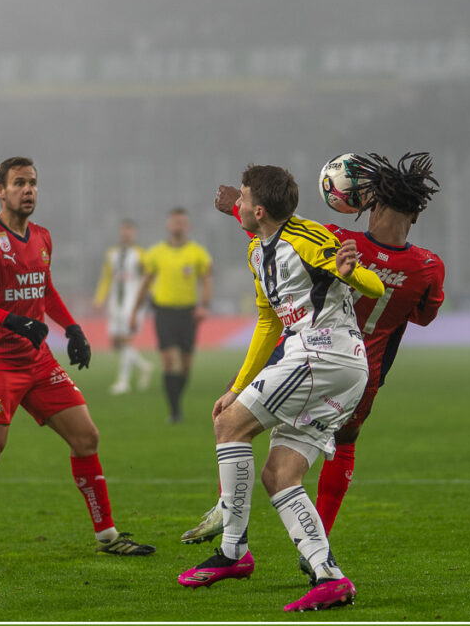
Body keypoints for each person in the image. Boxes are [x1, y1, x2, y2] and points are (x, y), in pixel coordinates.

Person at [183, 152, 444, 584]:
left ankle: (231, 533)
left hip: (313, 353)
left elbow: (283, 234)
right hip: (366, 372)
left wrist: (235, 207)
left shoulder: (339, 239)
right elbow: (424, 316)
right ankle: (320, 556)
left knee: (232, 423)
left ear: (371, 204)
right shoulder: (429, 267)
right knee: (308, 460)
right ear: (415, 215)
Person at [176, 164, 385, 612]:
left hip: (320, 356)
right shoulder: (258, 250)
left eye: (243, 198)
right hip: (339, 368)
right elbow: (269, 322)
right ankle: (329, 577)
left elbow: (375, 285)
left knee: (229, 426)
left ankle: (233, 550)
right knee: (279, 475)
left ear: (259, 210)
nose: (237, 204)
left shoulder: (307, 239)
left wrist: (351, 273)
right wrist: (238, 385)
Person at [0, 156, 155, 564]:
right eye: (19, 183)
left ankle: (107, 535)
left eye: (33, 183)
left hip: (38, 362)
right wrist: (10, 320)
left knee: (86, 437)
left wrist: (73, 329)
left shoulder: (42, 237)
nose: (28, 190)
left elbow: (45, 289)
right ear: (0, 191)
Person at [130, 207, 212, 424]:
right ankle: (175, 412)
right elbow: (145, 284)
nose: (178, 225)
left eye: (182, 222)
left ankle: (177, 401)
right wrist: (134, 312)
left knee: (185, 365)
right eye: (175, 222)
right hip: (164, 312)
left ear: (188, 225)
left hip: (188, 313)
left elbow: (206, 280)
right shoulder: (155, 253)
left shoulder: (198, 253)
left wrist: (204, 305)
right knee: (168, 360)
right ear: (168, 225)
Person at [93, 219, 154, 395]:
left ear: (134, 233)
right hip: (115, 303)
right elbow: (106, 277)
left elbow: (148, 277)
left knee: (126, 340)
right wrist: (99, 298)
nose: (126, 234)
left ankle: (123, 382)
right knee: (116, 343)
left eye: (129, 231)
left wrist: (151, 297)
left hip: (132, 303)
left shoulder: (140, 254)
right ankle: (144, 366)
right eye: (123, 231)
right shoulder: (112, 254)